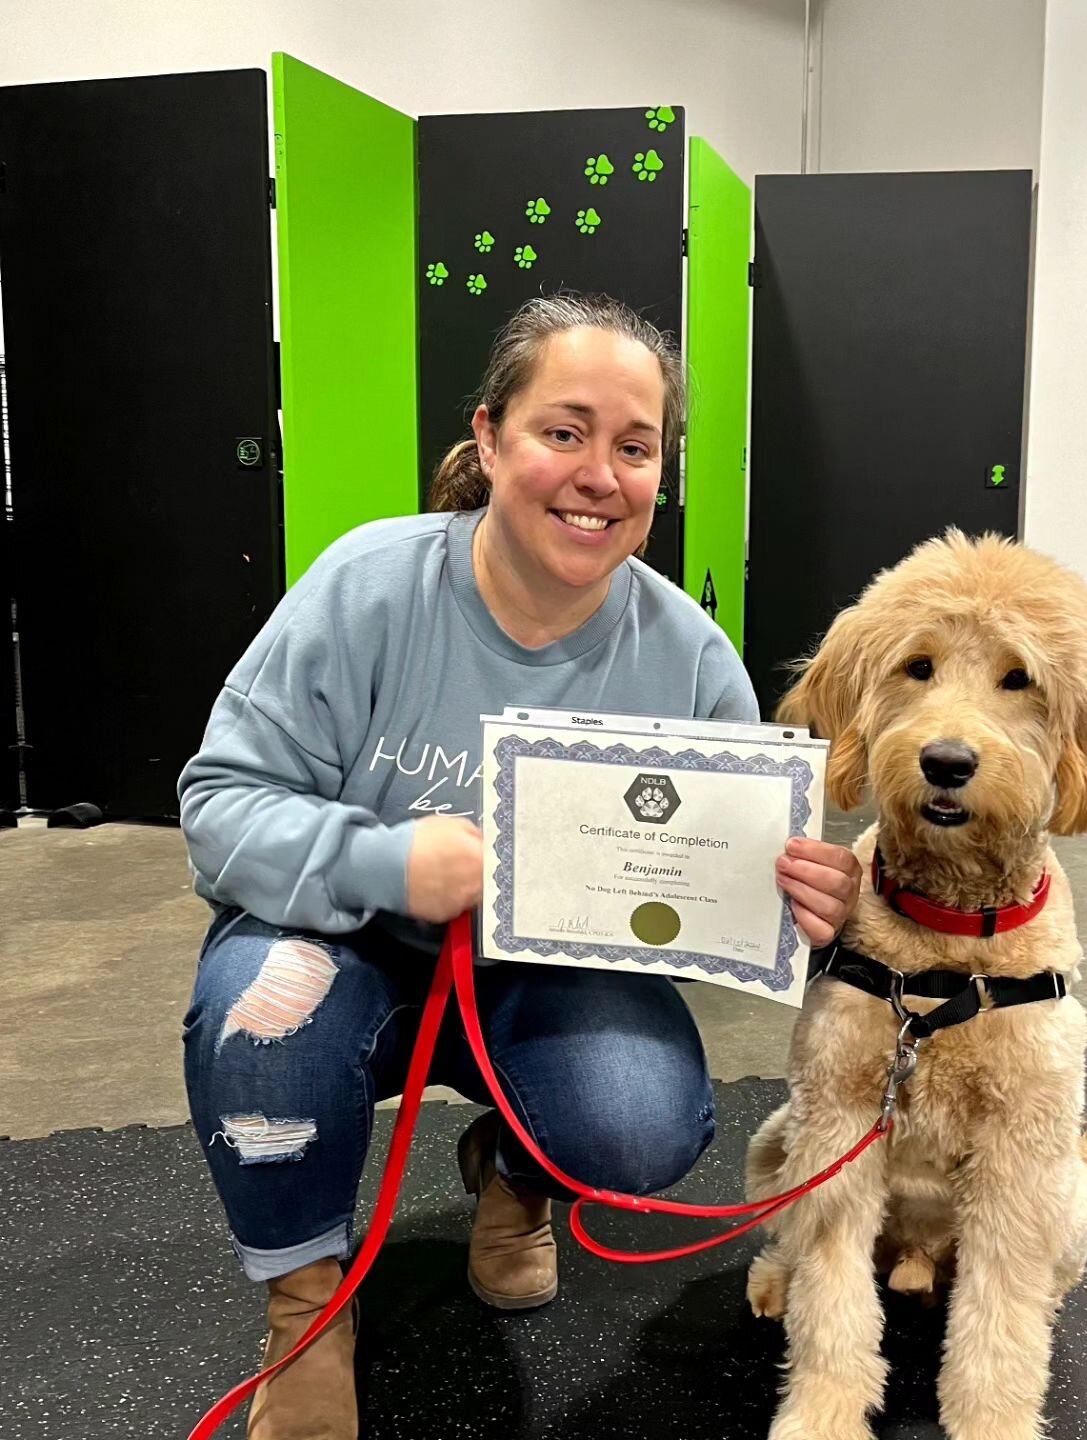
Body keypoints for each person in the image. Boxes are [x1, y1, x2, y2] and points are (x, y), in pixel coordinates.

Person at [177, 293, 862, 1440]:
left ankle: (511, 1172)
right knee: (262, 1016)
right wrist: (387, 858)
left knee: (642, 1125)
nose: (599, 473)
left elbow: (716, 889)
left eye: (635, 447)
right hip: (347, 946)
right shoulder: (368, 587)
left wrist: (799, 900)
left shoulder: (691, 660)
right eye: (563, 431)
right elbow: (217, 807)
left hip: (546, 976)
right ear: (490, 438)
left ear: (660, 475)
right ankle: (306, 1311)